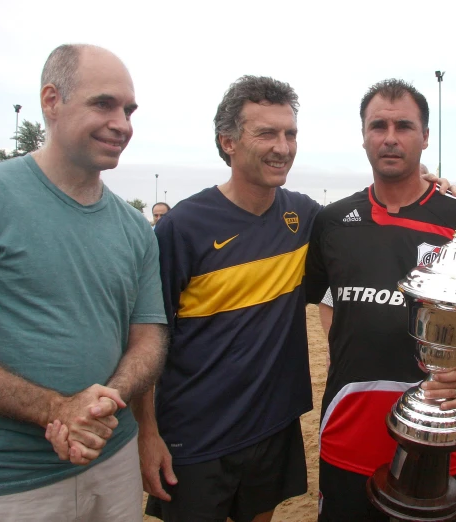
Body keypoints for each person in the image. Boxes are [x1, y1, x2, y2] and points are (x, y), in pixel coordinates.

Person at [0, 44, 167, 520]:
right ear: (51, 101)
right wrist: (56, 408)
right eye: (103, 103)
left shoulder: (134, 227)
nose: (123, 123)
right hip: (0, 483)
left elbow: (149, 337)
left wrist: (101, 407)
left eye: (129, 110)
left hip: (113, 466)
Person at [304, 79, 456, 522]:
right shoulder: (333, 221)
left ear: (425, 137)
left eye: (404, 125)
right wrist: (349, 342)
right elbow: (325, 297)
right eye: (378, 125)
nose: (390, 137)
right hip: (348, 430)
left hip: (437, 439)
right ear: (363, 136)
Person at [137, 76, 318, 522]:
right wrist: (146, 432)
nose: (283, 147)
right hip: (195, 436)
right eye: (266, 133)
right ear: (228, 142)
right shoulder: (182, 227)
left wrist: (430, 187)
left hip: (273, 426)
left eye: (290, 133)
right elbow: (144, 334)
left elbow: (370, 217)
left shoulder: (306, 217)